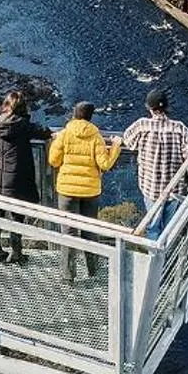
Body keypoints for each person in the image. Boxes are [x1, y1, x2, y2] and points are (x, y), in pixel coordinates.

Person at [47, 101, 119, 281]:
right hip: (90, 191)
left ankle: (68, 274)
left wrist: (56, 142)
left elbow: (53, 161)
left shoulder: (64, 134)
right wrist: (116, 146)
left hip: (67, 189)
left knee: (69, 232)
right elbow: (105, 164)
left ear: (74, 114)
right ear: (90, 116)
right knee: (89, 231)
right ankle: (93, 270)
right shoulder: (96, 137)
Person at [117, 88, 188, 237]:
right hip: (174, 188)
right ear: (166, 108)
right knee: (170, 226)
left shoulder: (142, 125)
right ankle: (169, 251)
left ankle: (154, 256)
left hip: (150, 187)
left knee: (153, 226)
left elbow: (128, 141)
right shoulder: (179, 128)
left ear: (150, 108)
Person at [0, 90, 48, 264]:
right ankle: (16, 251)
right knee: (17, 216)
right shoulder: (23, 125)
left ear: (5, 106)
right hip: (16, 180)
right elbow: (44, 132)